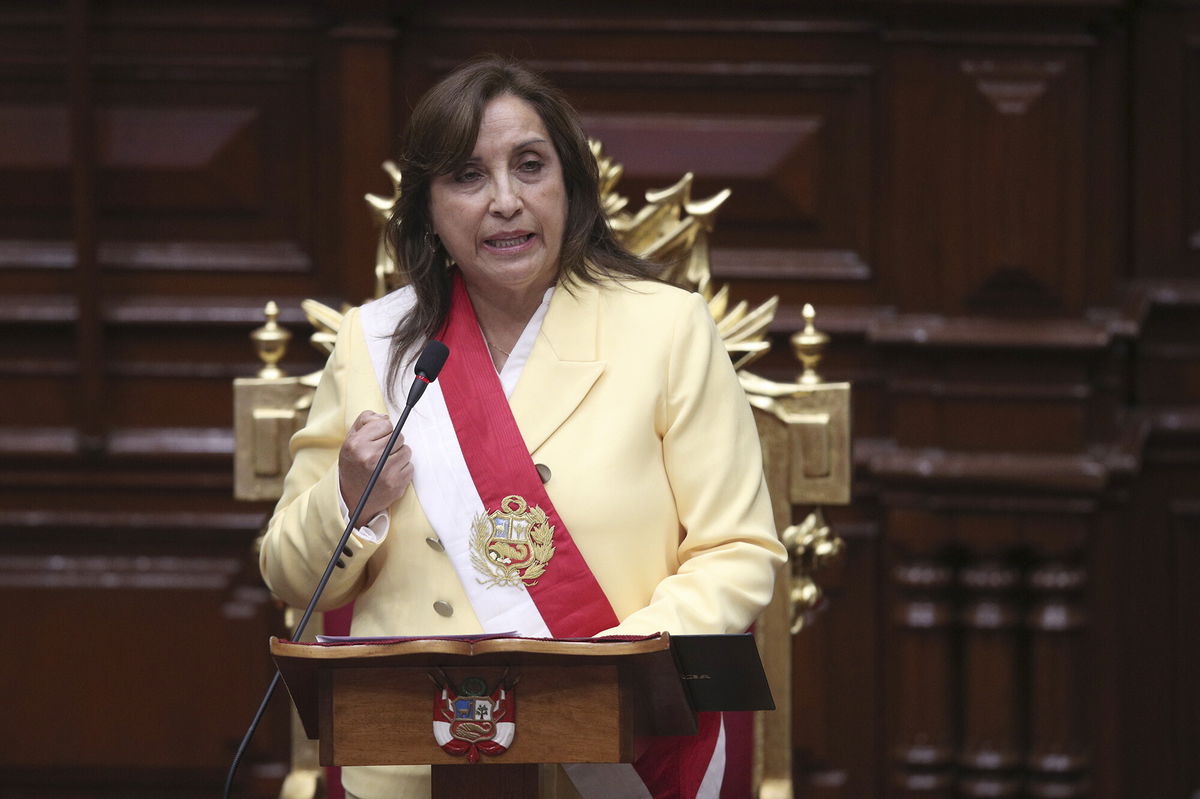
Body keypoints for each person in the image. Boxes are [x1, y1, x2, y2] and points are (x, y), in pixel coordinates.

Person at [259, 54, 786, 799]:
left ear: (569, 186)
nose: (505, 200)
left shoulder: (668, 329)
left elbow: (738, 552)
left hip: (609, 757)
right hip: (412, 764)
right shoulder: (373, 341)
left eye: (529, 166)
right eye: (468, 176)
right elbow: (286, 571)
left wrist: (607, 676)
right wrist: (348, 501)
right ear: (428, 211)